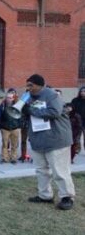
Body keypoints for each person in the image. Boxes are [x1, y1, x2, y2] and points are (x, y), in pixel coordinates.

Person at [24, 74, 76, 210]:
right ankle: (45, 195)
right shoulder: (28, 97)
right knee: (41, 170)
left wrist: (31, 110)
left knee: (59, 170)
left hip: (56, 139)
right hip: (38, 139)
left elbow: (55, 112)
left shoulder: (52, 95)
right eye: (27, 85)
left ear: (39, 85)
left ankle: (67, 197)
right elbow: (28, 115)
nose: (28, 88)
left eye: (31, 85)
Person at [0, 91, 21, 164]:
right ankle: (5, 158)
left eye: (10, 98)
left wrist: (19, 125)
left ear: (13, 99)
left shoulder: (17, 106)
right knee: (5, 144)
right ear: (6, 98)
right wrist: (1, 126)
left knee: (14, 144)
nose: (9, 99)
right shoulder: (2, 106)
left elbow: (21, 116)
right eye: (8, 98)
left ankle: (13, 158)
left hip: (15, 128)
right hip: (5, 128)